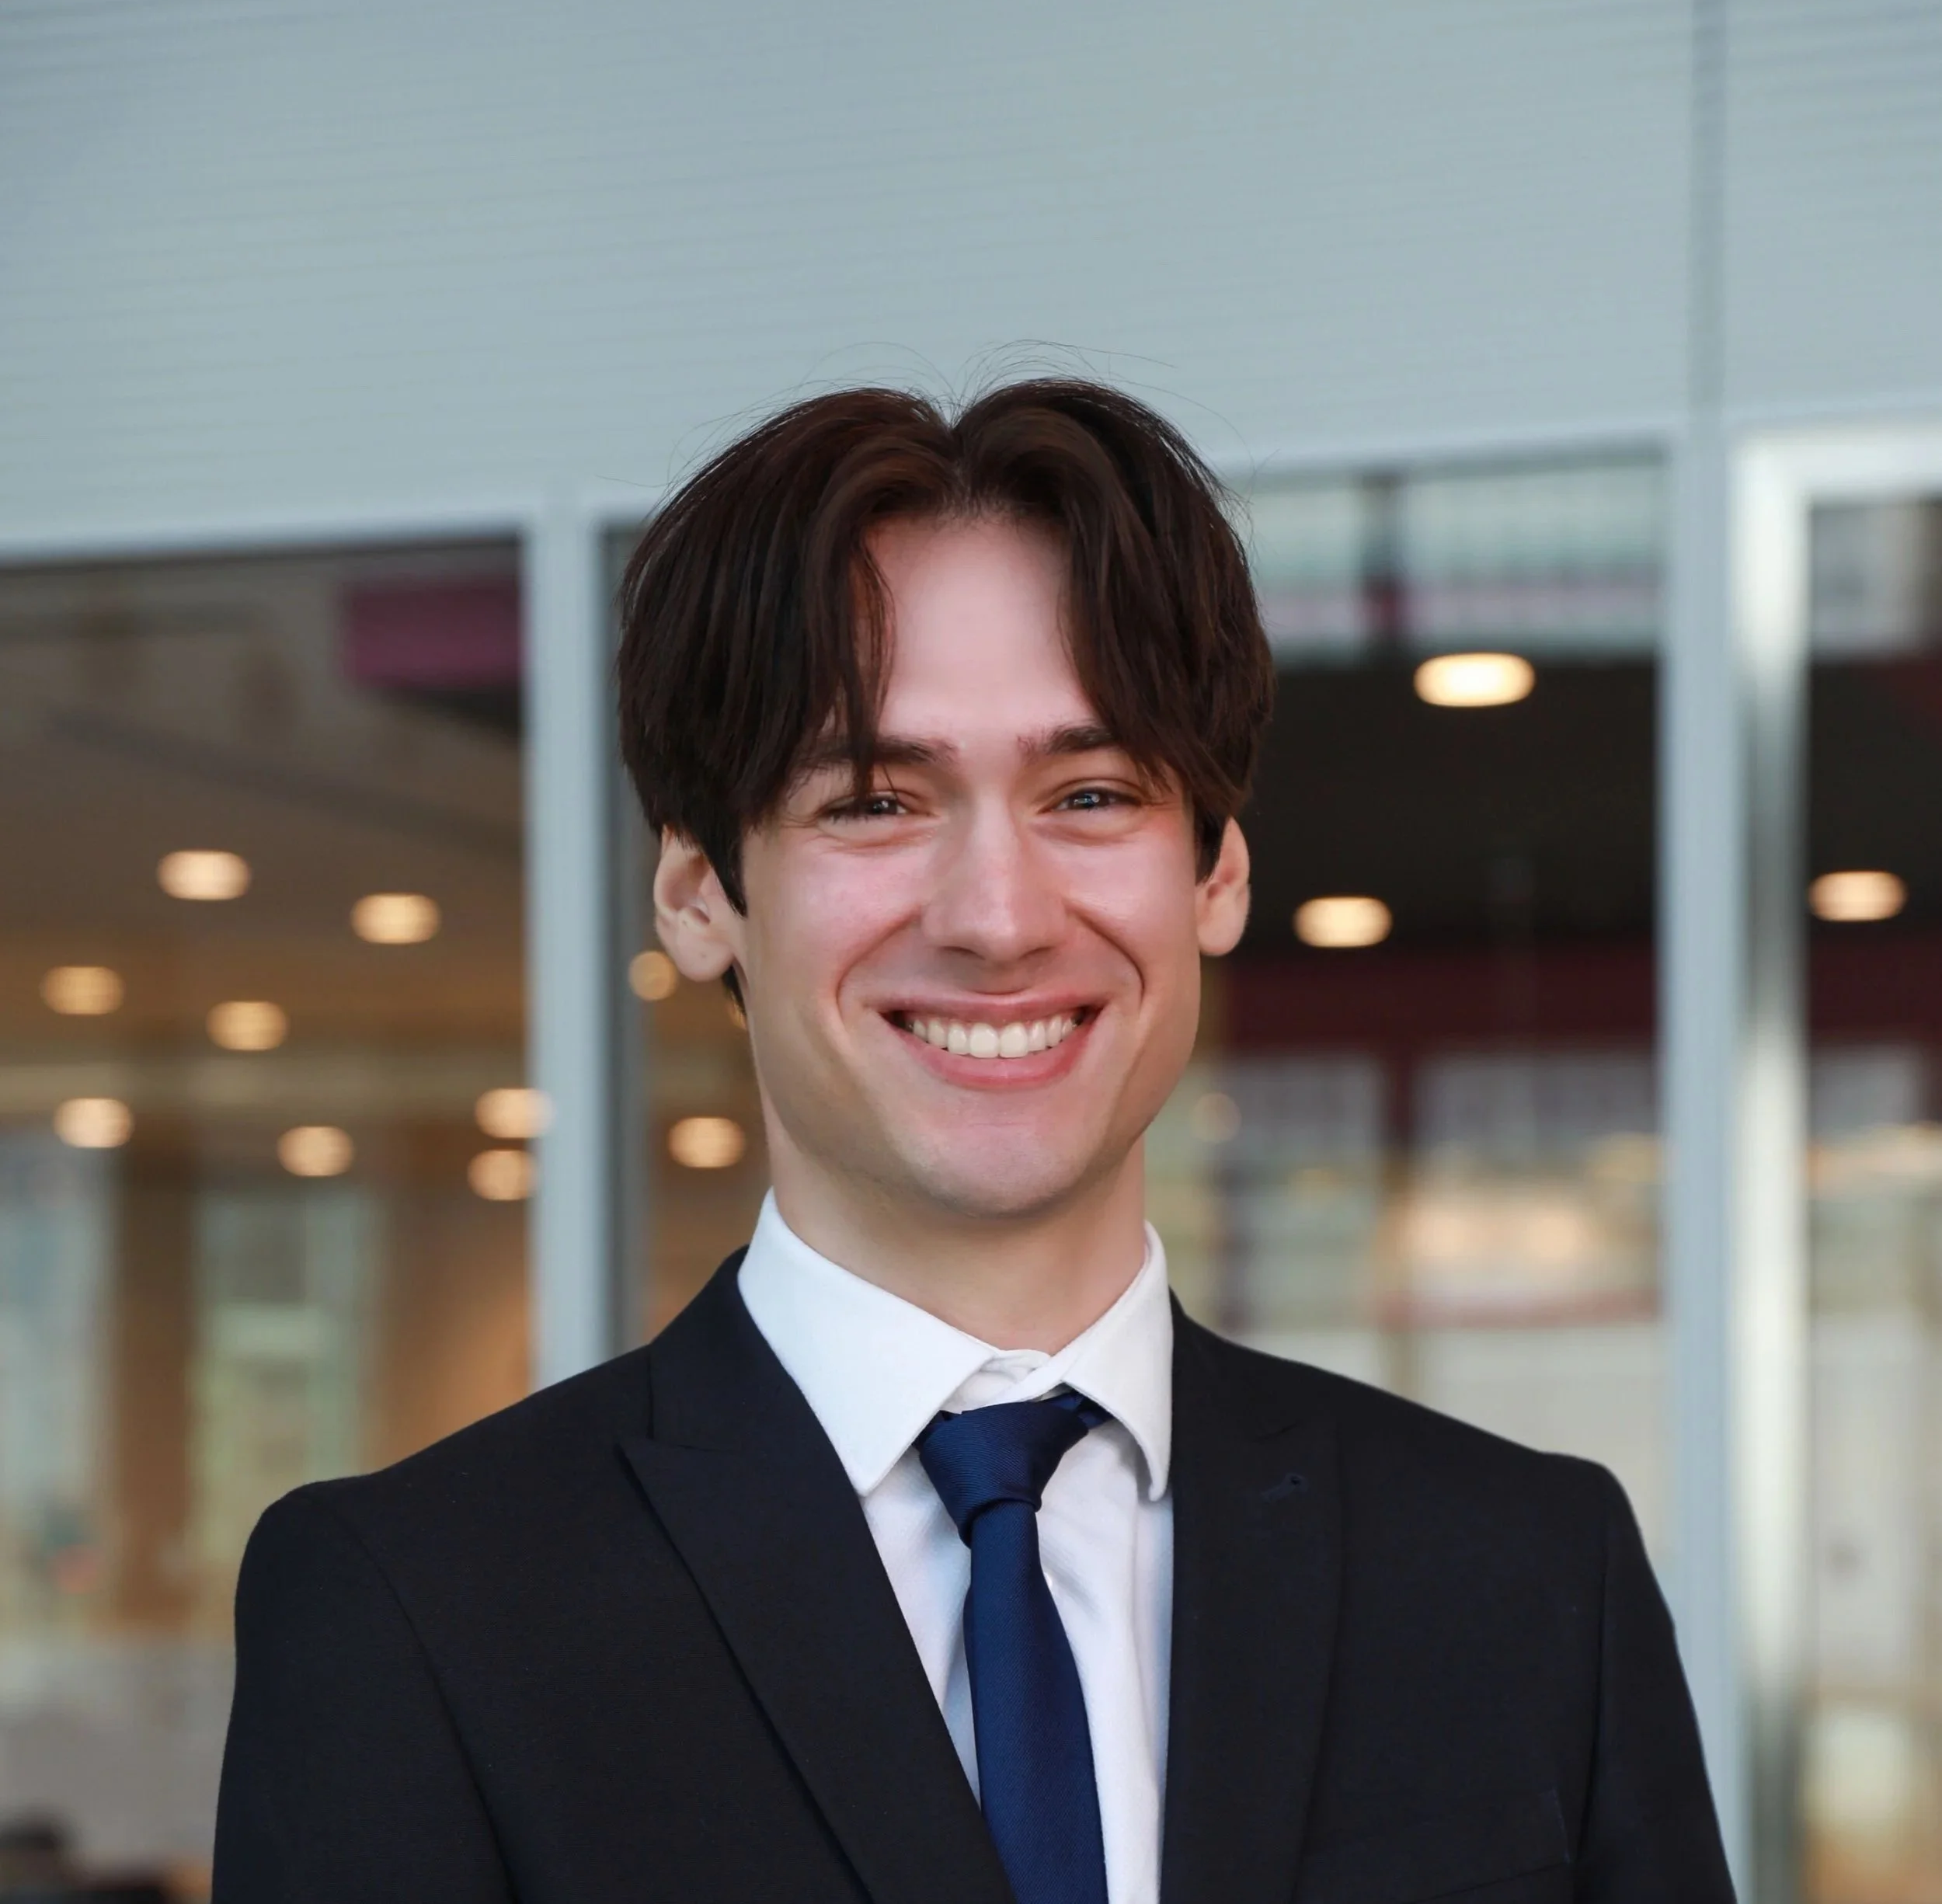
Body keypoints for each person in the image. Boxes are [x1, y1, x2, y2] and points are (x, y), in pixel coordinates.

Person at [212, 380, 1735, 1903]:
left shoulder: (1526, 1570)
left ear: (1213, 875)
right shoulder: (416, 1610)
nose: (997, 918)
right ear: (694, 891)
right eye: (873, 799)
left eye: (1089, 791)